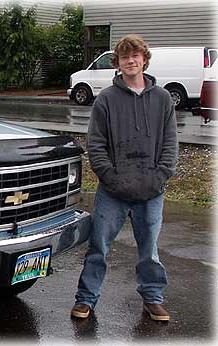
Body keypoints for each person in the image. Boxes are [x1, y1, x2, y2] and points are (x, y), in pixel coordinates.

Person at [71, 34, 178, 321]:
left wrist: (160, 177)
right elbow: (96, 144)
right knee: (99, 248)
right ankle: (86, 299)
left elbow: (170, 144)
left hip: (151, 191)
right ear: (118, 63)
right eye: (124, 57)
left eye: (135, 56)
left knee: (149, 252)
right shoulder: (106, 99)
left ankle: (153, 299)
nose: (130, 61)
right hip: (113, 191)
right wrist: (110, 177)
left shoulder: (163, 98)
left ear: (144, 59)